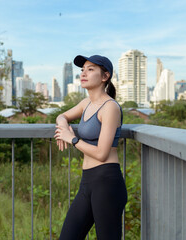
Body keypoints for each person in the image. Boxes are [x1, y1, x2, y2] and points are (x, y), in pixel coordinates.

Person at [54, 55, 128, 239]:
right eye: (82, 70)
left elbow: (102, 154)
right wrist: (63, 126)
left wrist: (72, 139)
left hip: (107, 182)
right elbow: (62, 116)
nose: (83, 73)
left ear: (105, 76)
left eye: (91, 69)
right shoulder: (86, 103)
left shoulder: (110, 107)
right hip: (87, 182)